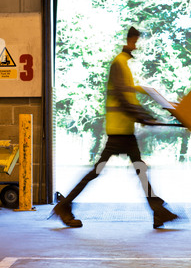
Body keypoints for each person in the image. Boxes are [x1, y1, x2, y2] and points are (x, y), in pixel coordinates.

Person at [50, 26, 179, 229]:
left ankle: (158, 211)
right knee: (101, 171)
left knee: (138, 169)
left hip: (125, 131)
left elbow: (129, 95)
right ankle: (64, 206)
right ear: (129, 40)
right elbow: (121, 97)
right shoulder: (119, 64)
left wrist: (148, 113)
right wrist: (144, 117)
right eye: (134, 42)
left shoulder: (124, 65)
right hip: (119, 132)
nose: (135, 46)